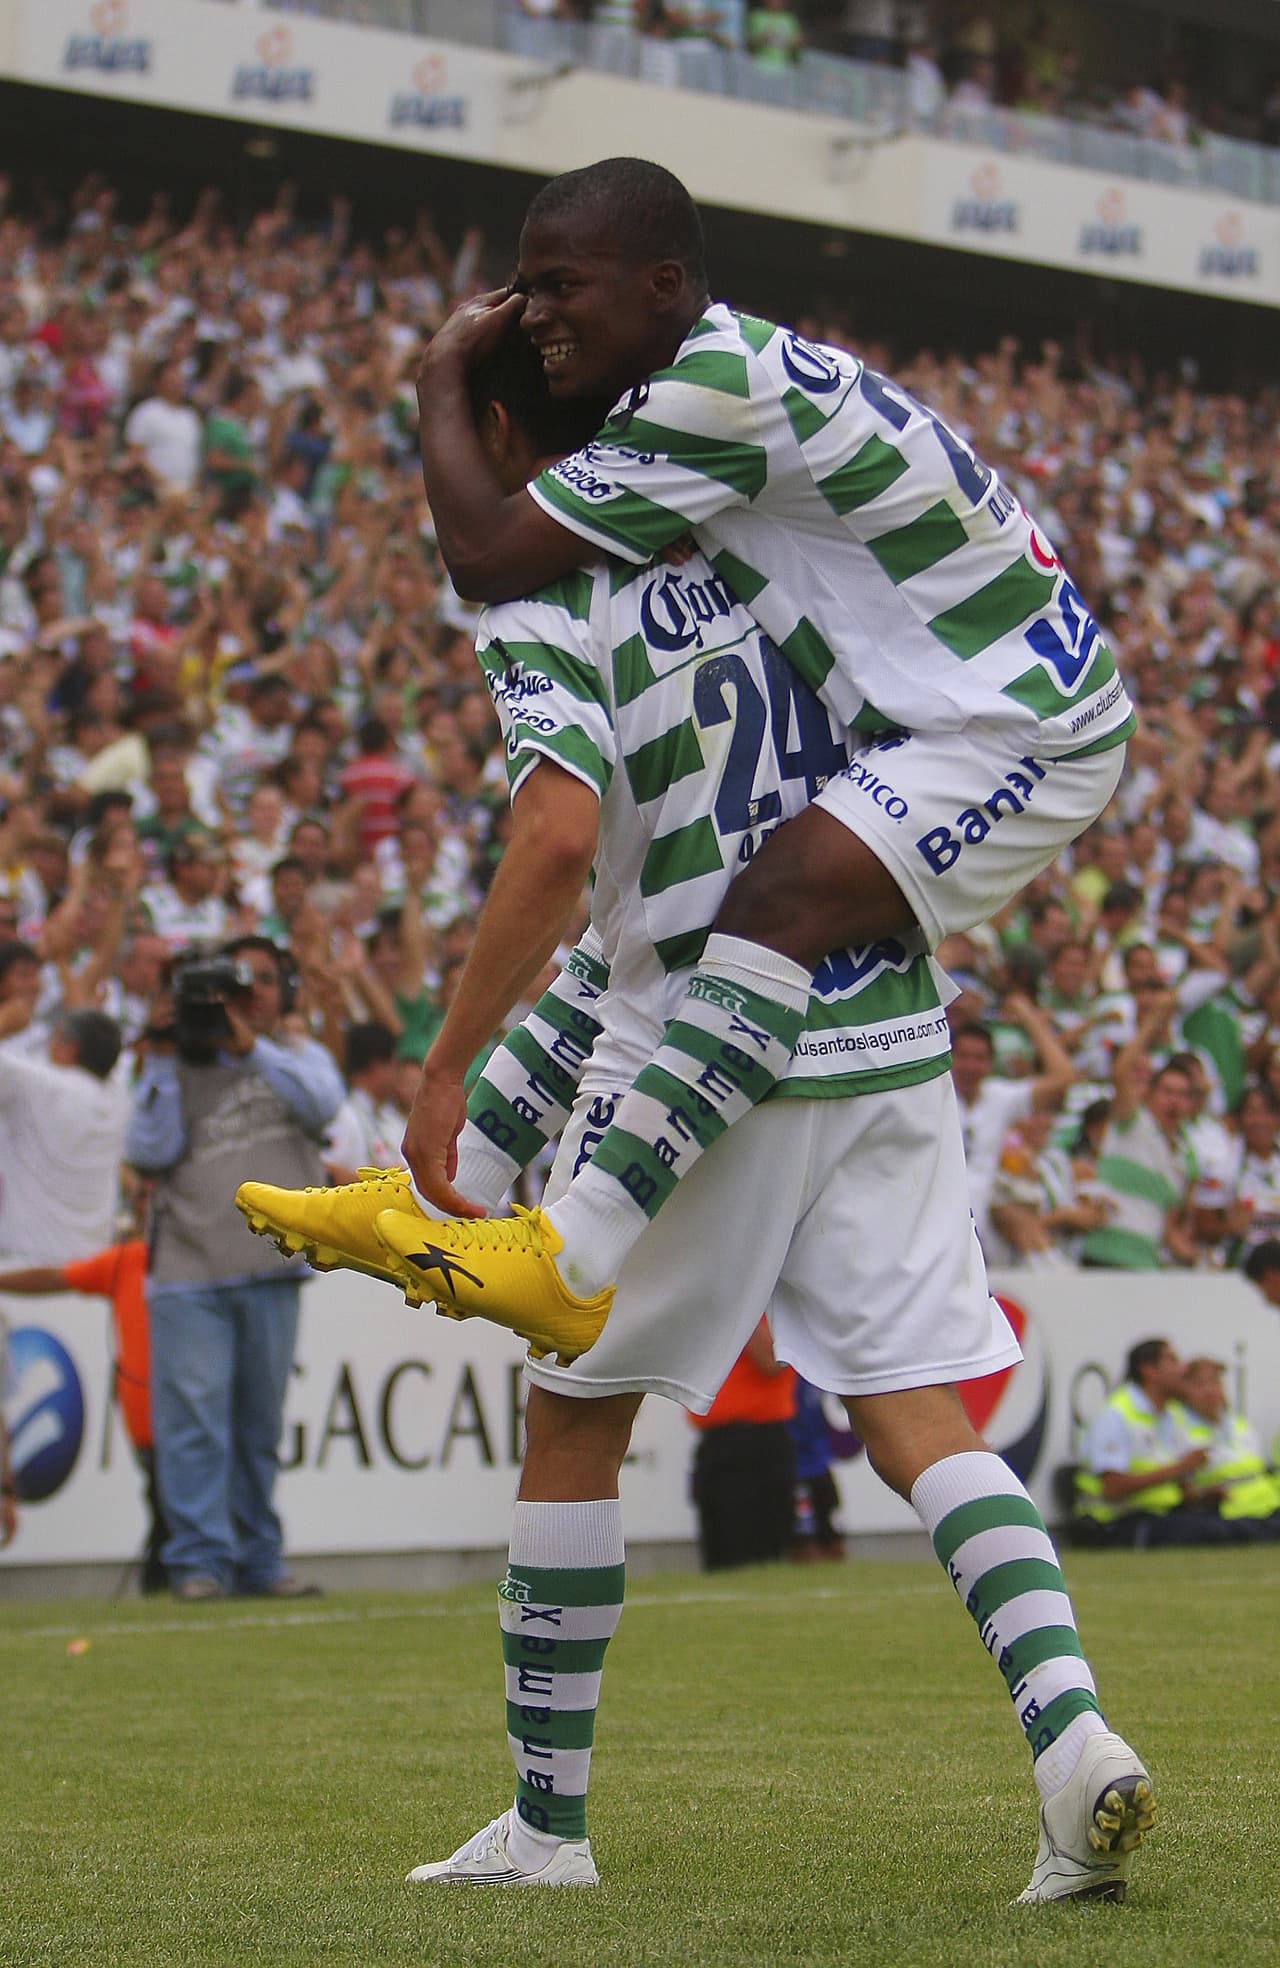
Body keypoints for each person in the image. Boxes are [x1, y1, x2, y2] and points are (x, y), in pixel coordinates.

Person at [240, 330, 1153, 1903]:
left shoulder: (545, 590)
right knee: (918, 1410)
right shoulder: (753, 540)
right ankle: (1076, 1746)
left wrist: (450, 1070)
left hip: (705, 1050)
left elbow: (561, 844)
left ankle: (545, 1828)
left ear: (505, 439)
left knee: (574, 1415)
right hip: (885, 1021)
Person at [388, 153, 1133, 1336]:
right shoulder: (722, 369)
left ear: (661, 284)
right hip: (968, 702)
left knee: (766, 908)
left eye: (559, 285)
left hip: (1017, 727)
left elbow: (481, 555)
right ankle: (448, 1190)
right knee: (660, 920)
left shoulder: (706, 394)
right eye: (524, 288)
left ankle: (572, 1256)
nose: (532, 315)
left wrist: (436, 379)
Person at [127, 937, 342, 1601]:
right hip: (188, 1271)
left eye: (260, 984)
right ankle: (198, 1563)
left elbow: (323, 1107)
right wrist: (162, 1057)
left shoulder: (298, 1057)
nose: (244, 1000)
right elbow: (148, 1149)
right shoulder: (173, 1064)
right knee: (194, 1426)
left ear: (282, 994)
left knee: (258, 1428)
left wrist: (251, 1047)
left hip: (269, 1266)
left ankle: (259, 1561)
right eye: (231, 990)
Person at [0, 1234, 167, 1590]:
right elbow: (57, 1277)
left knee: (173, 1515)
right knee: (170, 1512)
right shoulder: (128, 1259)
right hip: (151, 1421)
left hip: (186, 1419)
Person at [1073, 1339, 1235, 1547]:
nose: (1183, 1369)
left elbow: (1173, 1484)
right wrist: (1181, 1467)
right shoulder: (1115, 1415)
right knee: (1216, 1532)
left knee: (1231, 1526)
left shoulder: (1171, 1415)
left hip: (1162, 1516)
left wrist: (1202, 1496)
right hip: (1118, 1522)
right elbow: (1112, 1488)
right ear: (1149, 1370)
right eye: (1173, 1360)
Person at [0, 1007, 125, 1265]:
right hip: (90, 1269)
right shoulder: (118, 1098)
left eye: (54, 1037)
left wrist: (4, 1022)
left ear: (70, 1048)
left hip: (23, 1266)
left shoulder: (35, 1084)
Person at [689, 1319, 796, 1570]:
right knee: (719, 1554)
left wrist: (741, 1311)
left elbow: (771, 1361)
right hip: (717, 1441)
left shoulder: (768, 1309)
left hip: (755, 1440)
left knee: (752, 1553)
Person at [1167, 1356, 1280, 1539]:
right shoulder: (1176, 1429)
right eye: (1200, 1384)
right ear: (1184, 1390)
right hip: (1225, 1513)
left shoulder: (1239, 1424)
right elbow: (1181, 1487)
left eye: (1215, 1382)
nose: (1210, 1390)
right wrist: (1203, 1496)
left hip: (1269, 1505)